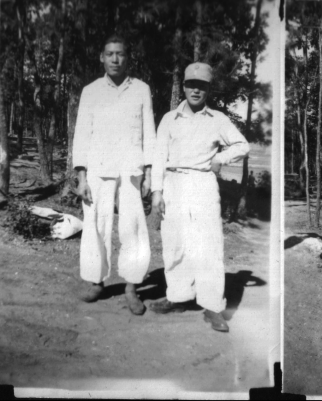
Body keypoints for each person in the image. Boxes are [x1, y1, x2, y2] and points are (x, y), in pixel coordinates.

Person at [148, 62, 250, 332]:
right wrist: (156, 192)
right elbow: (158, 157)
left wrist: (220, 157)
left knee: (209, 245)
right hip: (174, 183)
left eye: (202, 86)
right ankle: (179, 297)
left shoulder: (217, 120)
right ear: (183, 86)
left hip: (203, 183)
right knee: (175, 242)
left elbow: (242, 144)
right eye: (191, 84)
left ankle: (213, 306)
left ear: (208, 89)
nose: (196, 90)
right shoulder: (170, 119)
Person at [72, 35, 156, 315]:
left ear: (127, 57)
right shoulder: (91, 90)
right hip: (98, 168)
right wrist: (82, 176)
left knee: (133, 227)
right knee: (96, 224)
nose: (115, 60)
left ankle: (132, 287)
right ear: (101, 57)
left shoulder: (141, 89)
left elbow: (149, 132)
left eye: (120, 54)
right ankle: (97, 282)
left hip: (132, 169)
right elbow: (82, 134)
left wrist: (149, 173)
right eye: (110, 54)